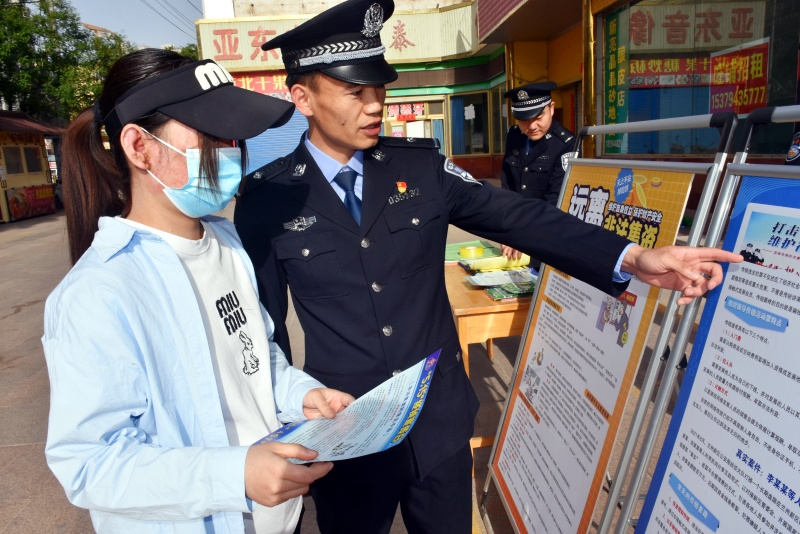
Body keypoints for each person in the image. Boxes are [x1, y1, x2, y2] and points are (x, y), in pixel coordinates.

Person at [233, 1, 742, 532]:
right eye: (354, 91)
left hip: (438, 422)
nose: (375, 104)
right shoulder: (269, 198)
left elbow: (518, 216)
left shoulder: (420, 167)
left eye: (379, 88)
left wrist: (632, 256)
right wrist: (282, 427)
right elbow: (264, 332)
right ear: (303, 98)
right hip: (346, 429)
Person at [43, 48, 355, 534]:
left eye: (232, 137)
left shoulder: (226, 243)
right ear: (139, 147)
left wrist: (303, 395)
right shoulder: (98, 292)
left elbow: (255, 359)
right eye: (210, 135)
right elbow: (90, 464)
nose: (229, 150)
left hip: (279, 518)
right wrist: (234, 475)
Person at [500, 81, 575, 264]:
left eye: (538, 117)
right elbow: (508, 187)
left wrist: (521, 235)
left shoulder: (566, 144)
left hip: (547, 236)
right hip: (515, 237)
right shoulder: (514, 136)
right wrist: (506, 230)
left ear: (551, 109)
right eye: (524, 119)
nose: (532, 126)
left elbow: (555, 200)